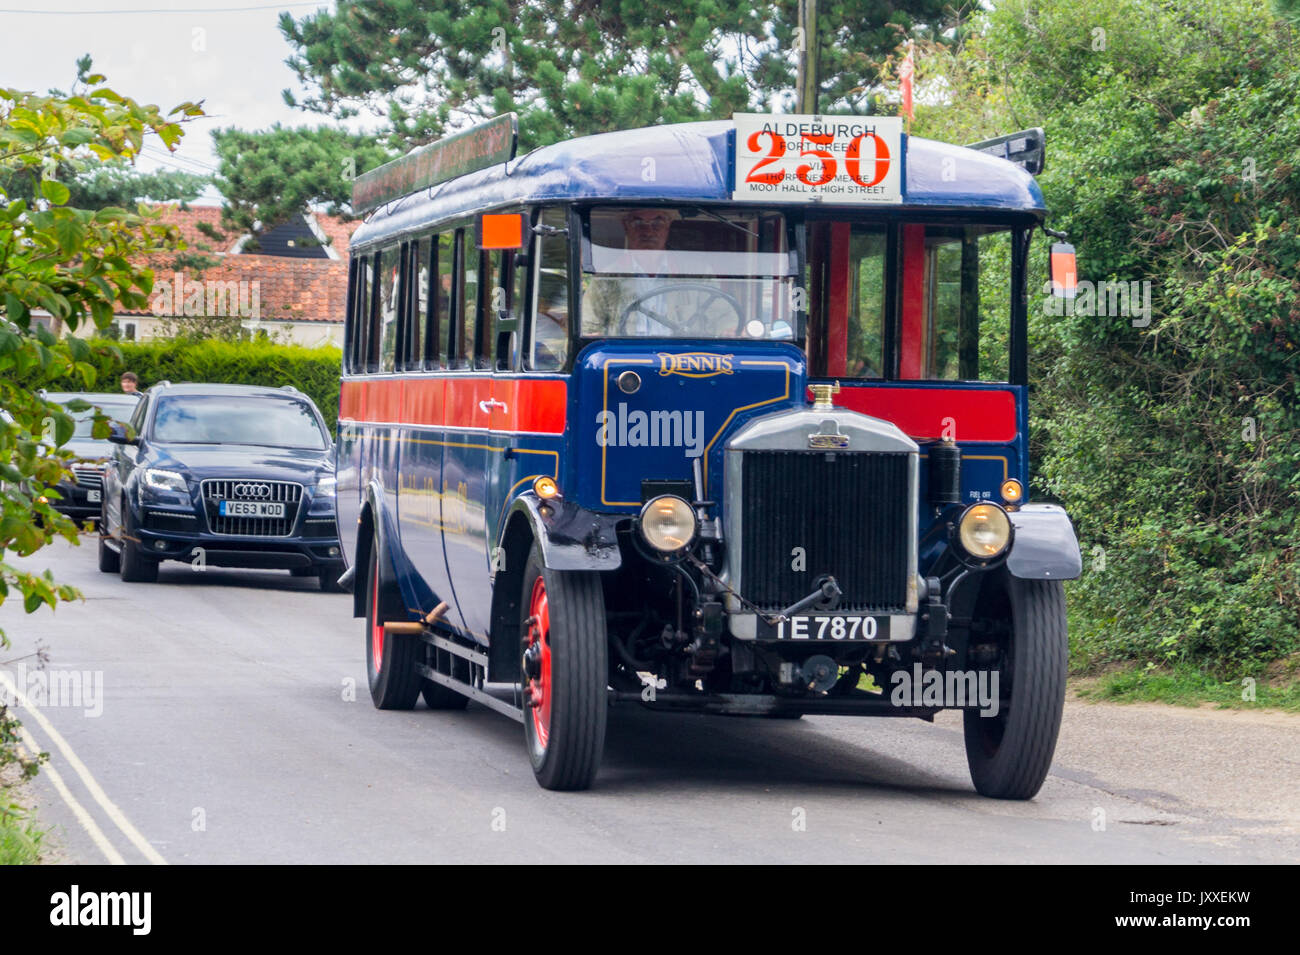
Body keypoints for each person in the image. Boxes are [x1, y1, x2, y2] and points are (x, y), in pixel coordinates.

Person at [581, 209, 735, 337]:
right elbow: (588, 328)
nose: (648, 231)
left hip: (684, 362)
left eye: (657, 222)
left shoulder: (698, 274)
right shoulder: (607, 278)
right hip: (628, 366)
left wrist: (729, 331)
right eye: (638, 222)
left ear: (668, 225)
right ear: (625, 226)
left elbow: (724, 321)